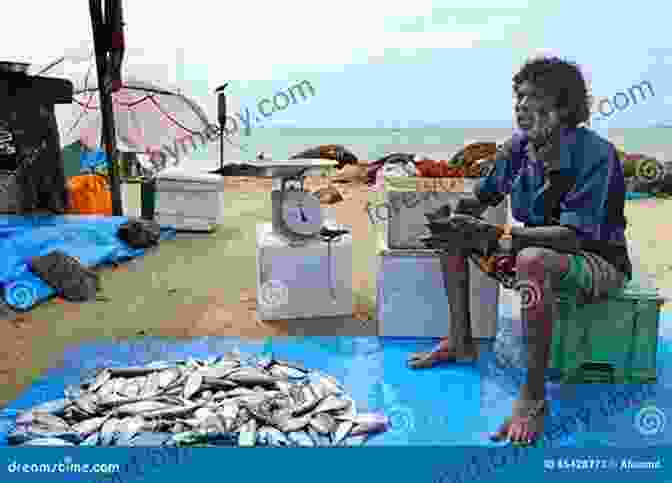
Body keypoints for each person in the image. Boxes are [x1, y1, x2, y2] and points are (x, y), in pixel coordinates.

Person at [406, 56, 632, 444]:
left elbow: (574, 237)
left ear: (563, 108)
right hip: (534, 251)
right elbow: (477, 202)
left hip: (596, 261)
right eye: (519, 98)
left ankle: (532, 398)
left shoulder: (596, 155)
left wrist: (498, 236)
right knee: (455, 235)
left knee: (531, 259)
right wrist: (453, 219)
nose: (521, 107)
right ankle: (461, 341)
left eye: (533, 98)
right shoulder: (517, 150)